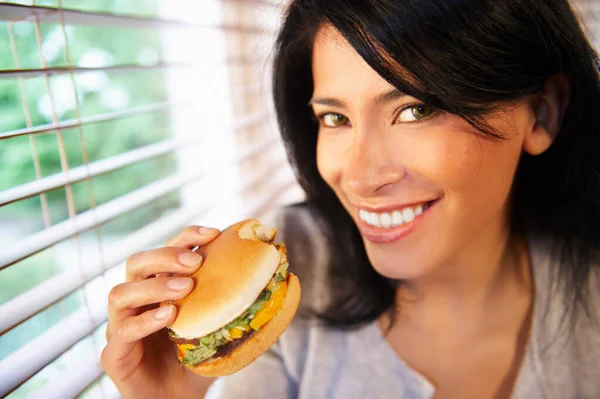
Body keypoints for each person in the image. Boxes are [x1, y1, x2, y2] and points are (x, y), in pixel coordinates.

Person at [101, 0, 600, 397]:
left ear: (542, 114)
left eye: (416, 108)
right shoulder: (289, 275)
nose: (360, 178)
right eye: (335, 118)